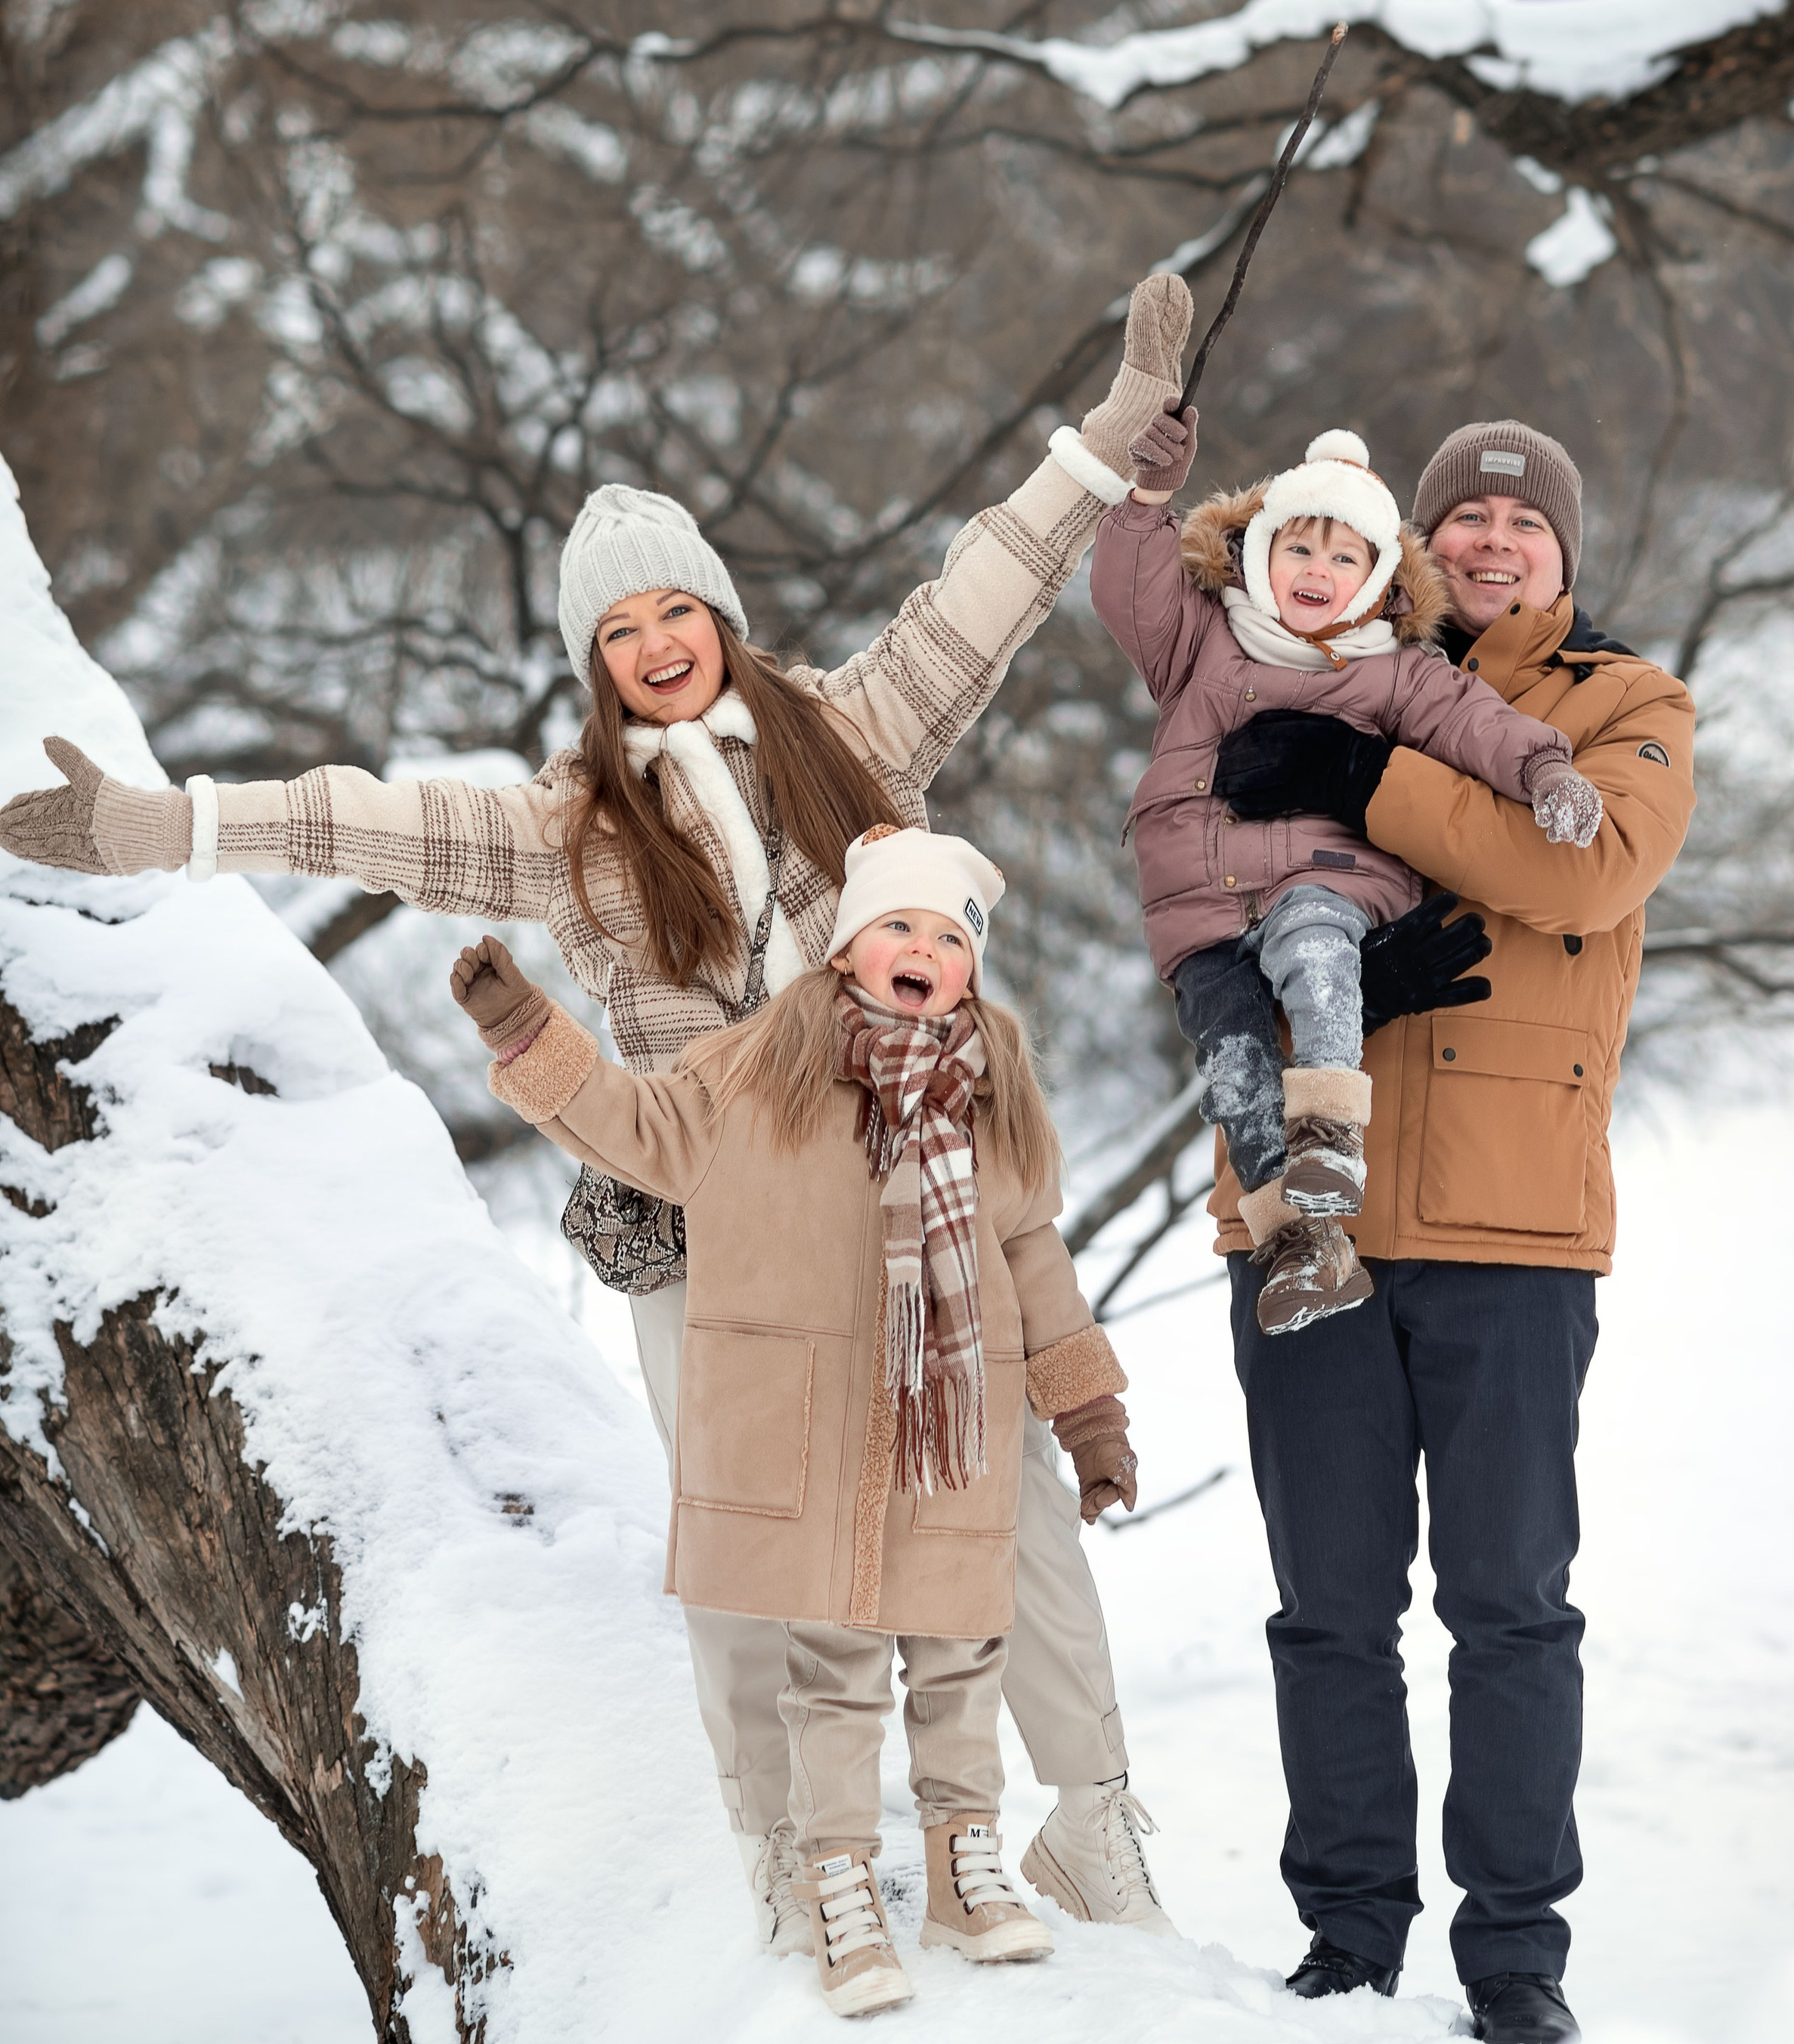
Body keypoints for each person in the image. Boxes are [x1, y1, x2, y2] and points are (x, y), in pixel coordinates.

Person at [0, 273, 1197, 1949]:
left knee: (1004, 1499)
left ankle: (1090, 1820)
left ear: (717, 611)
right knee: (747, 1552)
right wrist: (162, 825)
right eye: (616, 630)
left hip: (910, 1193)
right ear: (591, 660)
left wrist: (1108, 434)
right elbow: (359, 820)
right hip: (701, 1229)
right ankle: (793, 1856)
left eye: (672, 611)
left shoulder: (853, 738)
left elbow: (981, 589)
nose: (651, 645)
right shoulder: (561, 835)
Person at [448, 824, 1135, 2019]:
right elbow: (640, 1126)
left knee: (964, 1652)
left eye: (945, 935)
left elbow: (1036, 1257)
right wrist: (527, 1033)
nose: (921, 947)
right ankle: (840, 1884)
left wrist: (1092, 1414)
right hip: (822, 1432)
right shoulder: (756, 1070)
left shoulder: (996, 1097)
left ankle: (965, 1872)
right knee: (834, 1667)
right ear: (850, 948)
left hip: (954, 1427)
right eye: (897, 925)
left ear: (969, 964)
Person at [1205, 419, 1696, 2044]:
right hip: (1302, 1206)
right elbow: (1211, 904)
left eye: (1517, 522)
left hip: (1509, 1228)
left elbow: (1577, 870)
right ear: (1415, 545)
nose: (1486, 542)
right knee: (1326, 1609)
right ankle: (1345, 1939)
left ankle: (1512, 1958)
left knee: (1505, 1604)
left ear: (1560, 551)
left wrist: (1356, 780)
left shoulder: (1625, 705)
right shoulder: (1308, 654)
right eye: (1459, 519)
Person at [1088, 421, 1602, 1337]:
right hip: (1199, 908)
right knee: (1235, 1065)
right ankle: (1301, 1246)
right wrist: (1146, 502)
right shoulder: (1202, 639)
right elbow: (1131, 594)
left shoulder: (1394, 666)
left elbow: (1474, 725)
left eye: (1343, 553)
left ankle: (1328, 1136)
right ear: (1258, 548)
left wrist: (1545, 771)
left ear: (1375, 577)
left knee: (1318, 949)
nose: (1315, 569)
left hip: (1324, 878)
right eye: (1297, 545)